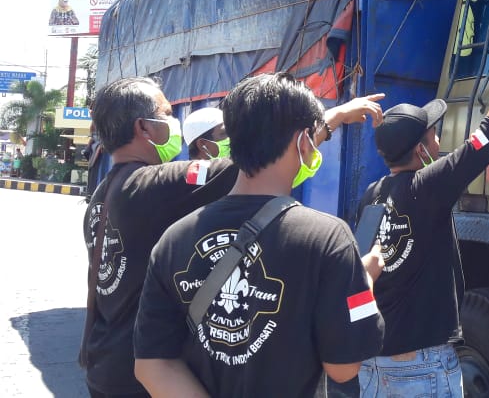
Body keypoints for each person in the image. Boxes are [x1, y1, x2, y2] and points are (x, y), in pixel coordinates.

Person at [134, 74, 387, 398]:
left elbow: (151, 365)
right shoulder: (328, 239)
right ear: (303, 143)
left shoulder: (174, 239)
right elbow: (344, 367)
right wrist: (362, 282)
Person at [357, 43, 489, 397]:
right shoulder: (427, 187)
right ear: (421, 151)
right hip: (420, 369)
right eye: (433, 134)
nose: (438, 139)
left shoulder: (372, 195)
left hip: (374, 362)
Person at [81, 77, 239, 398]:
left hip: (107, 362)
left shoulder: (103, 192)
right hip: (144, 373)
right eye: (166, 113)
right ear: (144, 127)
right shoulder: (152, 185)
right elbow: (250, 167)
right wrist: (325, 125)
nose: (174, 122)